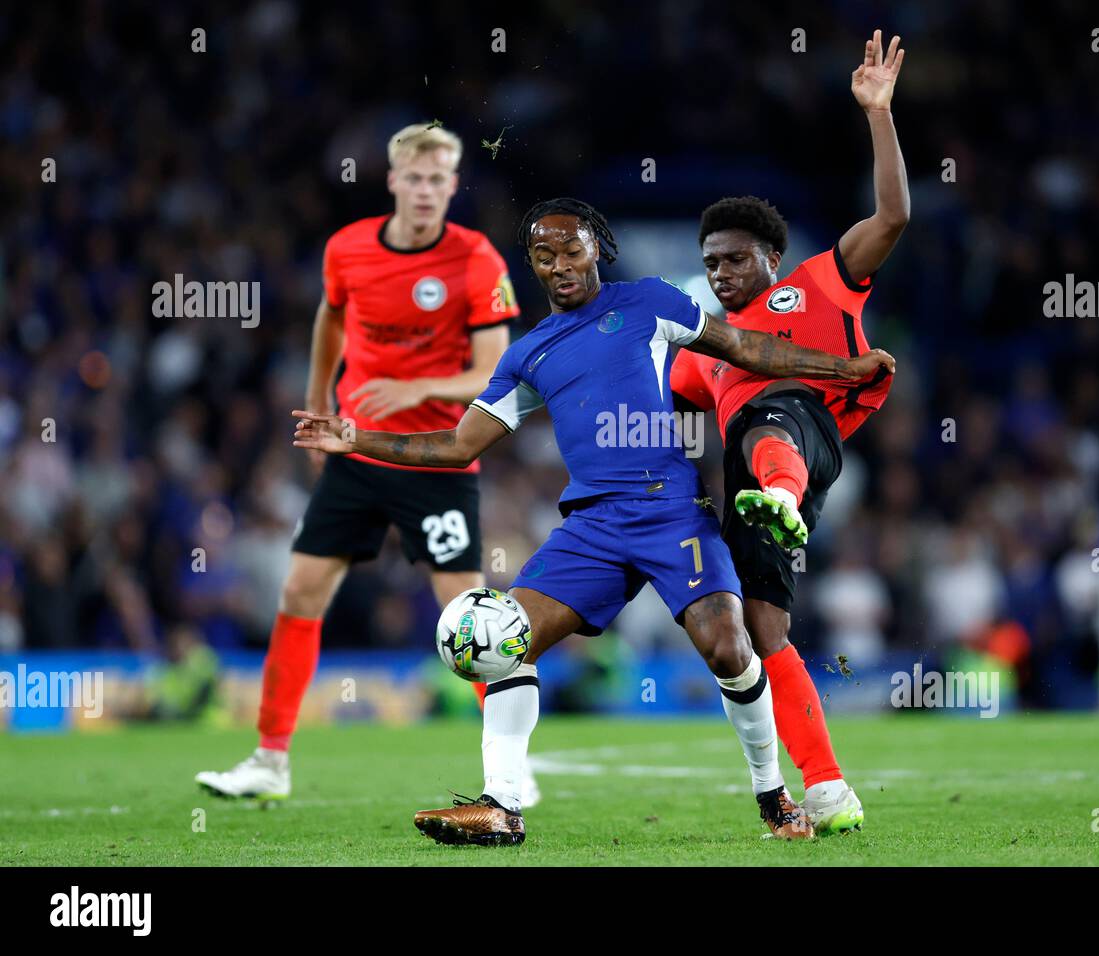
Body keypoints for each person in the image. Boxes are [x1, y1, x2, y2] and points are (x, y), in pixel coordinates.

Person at [291, 197, 895, 844]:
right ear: (531, 264)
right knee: (505, 642)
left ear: (597, 249)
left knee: (728, 646)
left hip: (671, 512)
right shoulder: (528, 355)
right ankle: (501, 803)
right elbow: (457, 446)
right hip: (593, 528)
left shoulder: (651, 303)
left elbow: (748, 348)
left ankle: (773, 795)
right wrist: (359, 439)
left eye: (572, 250)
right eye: (544, 256)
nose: (560, 266)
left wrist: (843, 369)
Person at [195, 123, 531, 802]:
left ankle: (509, 768)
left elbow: (496, 373)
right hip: (355, 448)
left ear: (452, 185)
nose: (428, 191)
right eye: (417, 178)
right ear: (394, 180)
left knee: (468, 617)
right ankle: (270, 760)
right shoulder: (349, 248)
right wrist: (318, 398)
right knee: (299, 594)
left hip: (433, 456)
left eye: (441, 180)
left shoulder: (477, 260)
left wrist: (417, 388)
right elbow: (330, 317)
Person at [670, 31, 908, 833]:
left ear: (772, 257)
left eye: (736, 260)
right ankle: (830, 788)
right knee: (765, 629)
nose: (721, 274)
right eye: (711, 262)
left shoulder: (821, 280)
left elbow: (895, 214)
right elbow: (663, 417)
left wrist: (877, 113)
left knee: (768, 413)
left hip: (801, 434)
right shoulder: (701, 355)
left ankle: (781, 493)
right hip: (749, 474)